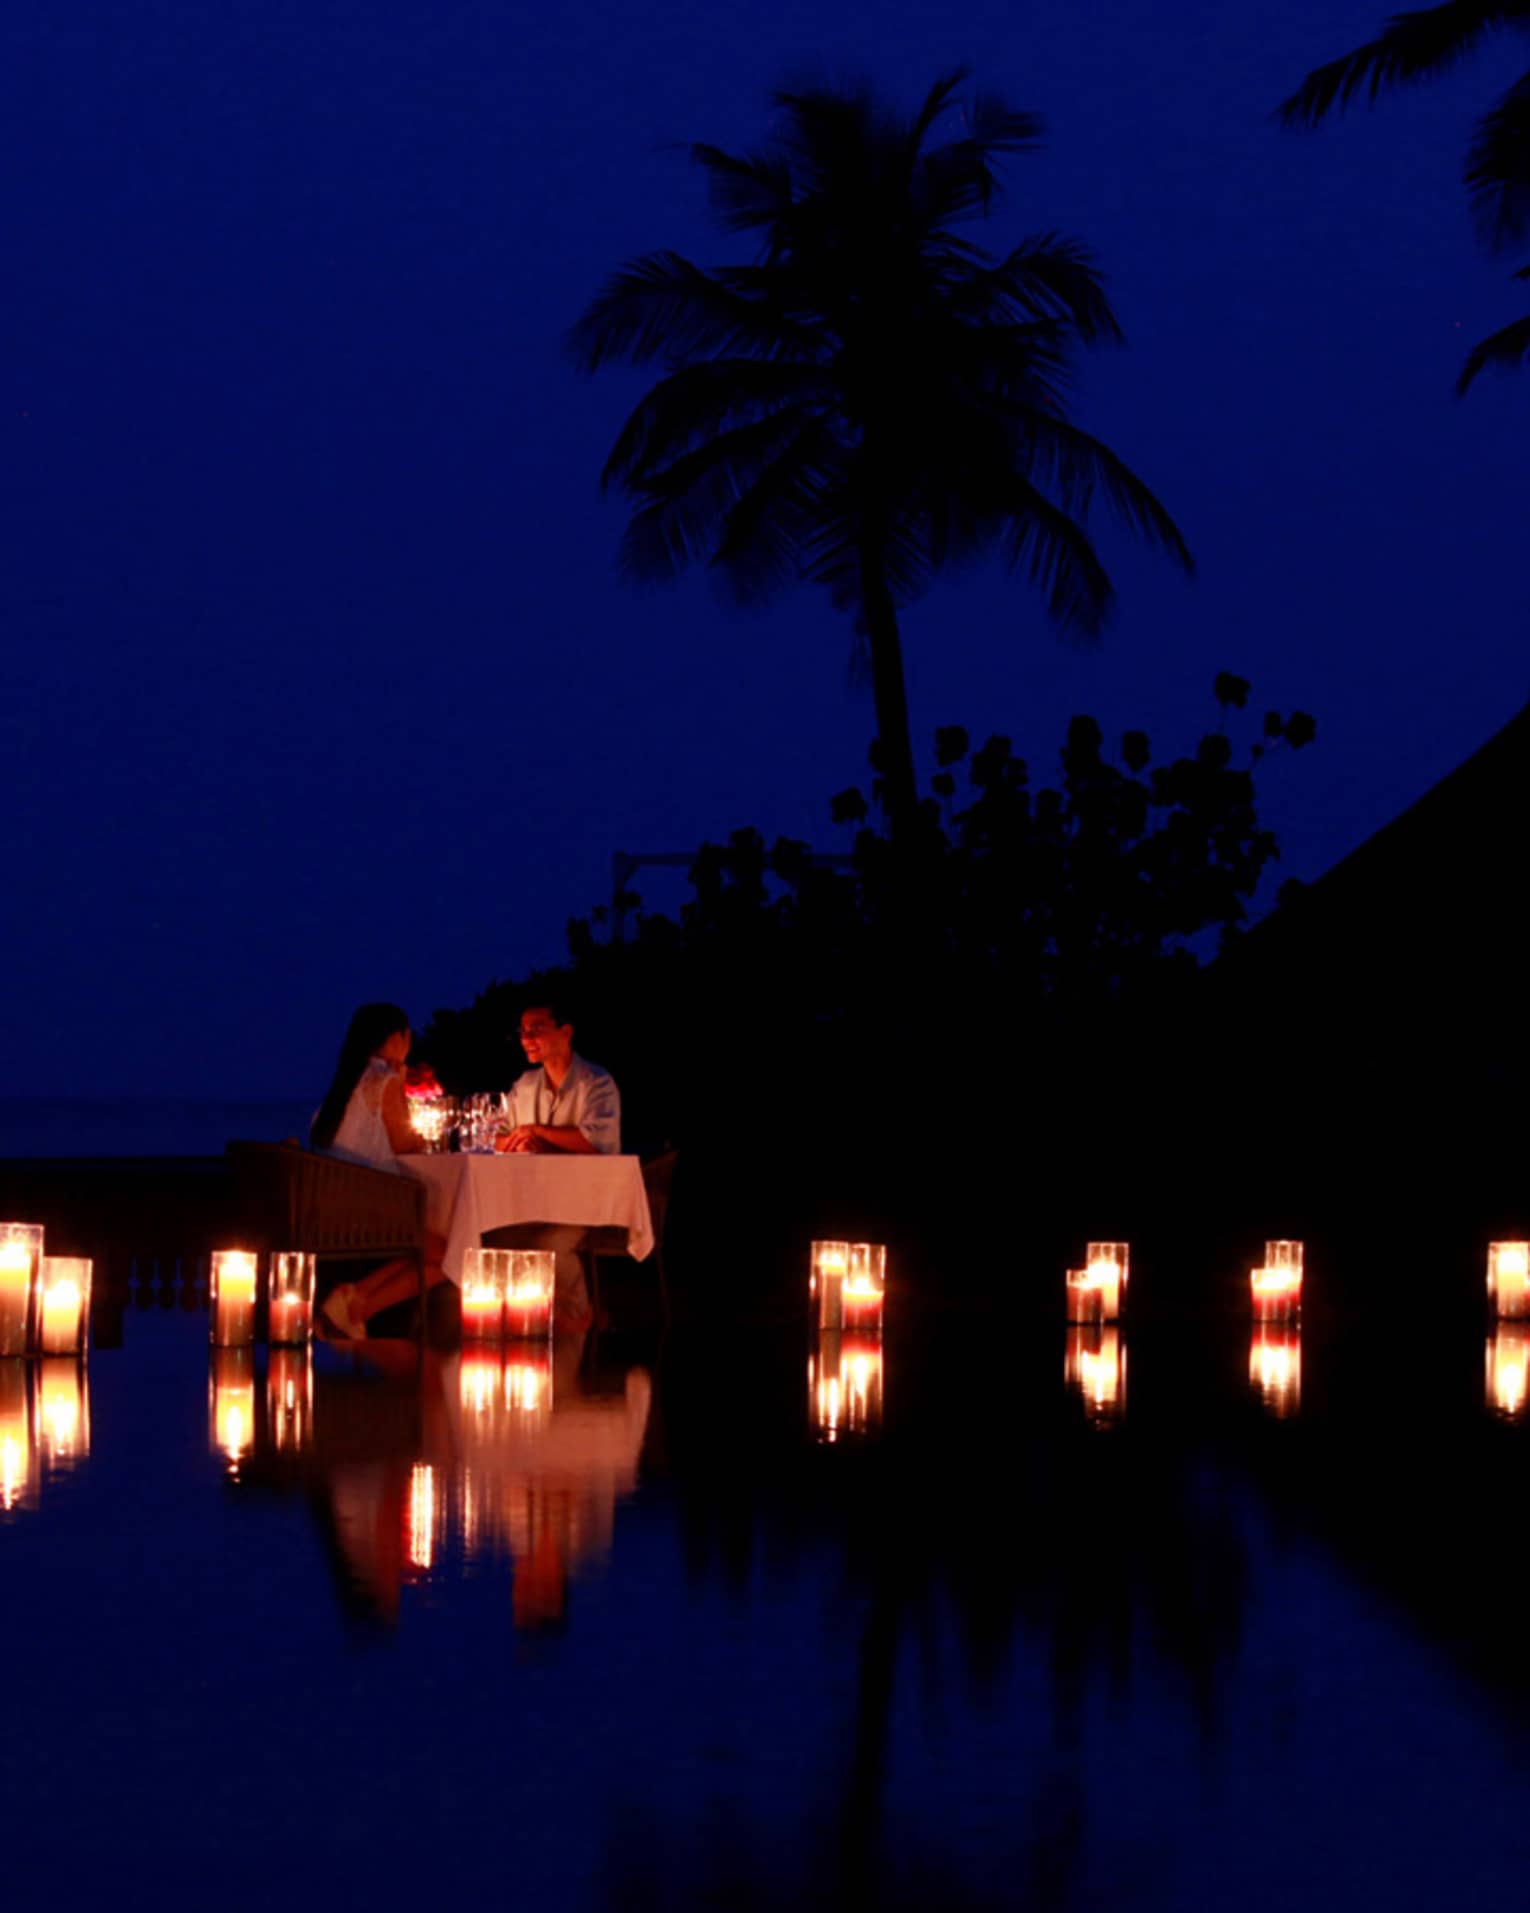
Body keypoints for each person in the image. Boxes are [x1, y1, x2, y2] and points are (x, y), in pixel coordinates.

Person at [309, 1001, 448, 1338]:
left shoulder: (343, 1084)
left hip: (328, 1209)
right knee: (449, 1256)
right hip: (368, 1209)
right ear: (399, 1037)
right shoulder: (381, 1079)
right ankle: (359, 1309)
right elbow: (404, 1145)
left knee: (429, 1247)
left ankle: (349, 1301)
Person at [489, 997, 621, 1329]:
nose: (526, 1039)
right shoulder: (525, 1085)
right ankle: (527, 1321)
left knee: (549, 1245)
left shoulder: (596, 1082)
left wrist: (538, 1133)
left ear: (566, 1031)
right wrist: (519, 1141)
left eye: (536, 1029)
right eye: (522, 1031)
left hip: (586, 1202)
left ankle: (574, 1320)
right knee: (492, 1239)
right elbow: (493, 1137)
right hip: (532, 1200)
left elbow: (595, 1141)